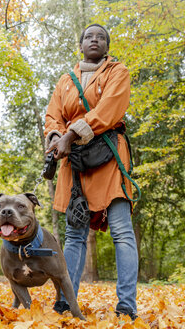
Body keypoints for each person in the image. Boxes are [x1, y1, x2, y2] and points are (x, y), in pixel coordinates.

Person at [44, 24, 138, 320]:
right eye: (88, 36)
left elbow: (110, 109)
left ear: (106, 46)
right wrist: (55, 137)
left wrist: (69, 135)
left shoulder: (117, 72)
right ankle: (66, 302)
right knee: (74, 233)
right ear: (81, 45)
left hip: (109, 156)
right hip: (74, 162)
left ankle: (126, 306)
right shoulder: (65, 80)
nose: (94, 40)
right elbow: (52, 115)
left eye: (100, 37)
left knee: (122, 232)